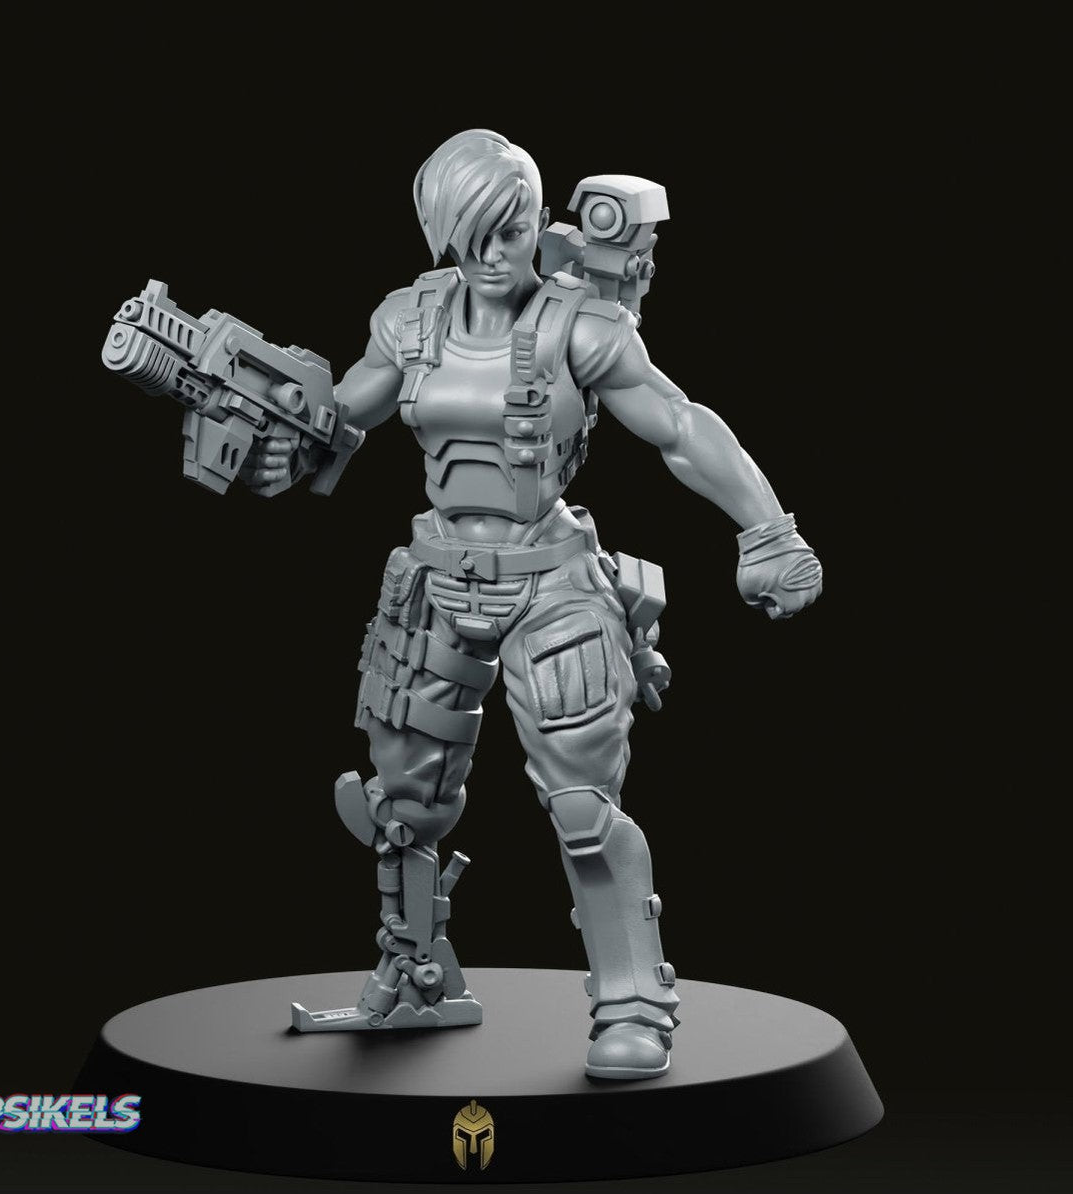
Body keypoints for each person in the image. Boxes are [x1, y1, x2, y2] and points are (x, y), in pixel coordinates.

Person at [247, 129, 822, 1079]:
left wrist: (768, 531)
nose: (495, 249)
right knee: (403, 804)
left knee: (584, 806)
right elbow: (342, 415)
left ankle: (632, 1004)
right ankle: (415, 973)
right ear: (445, 232)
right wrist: (284, 446)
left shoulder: (579, 328)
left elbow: (680, 427)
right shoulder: (409, 321)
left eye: (513, 227)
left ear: (537, 221)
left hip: (551, 585)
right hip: (435, 579)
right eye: (474, 231)